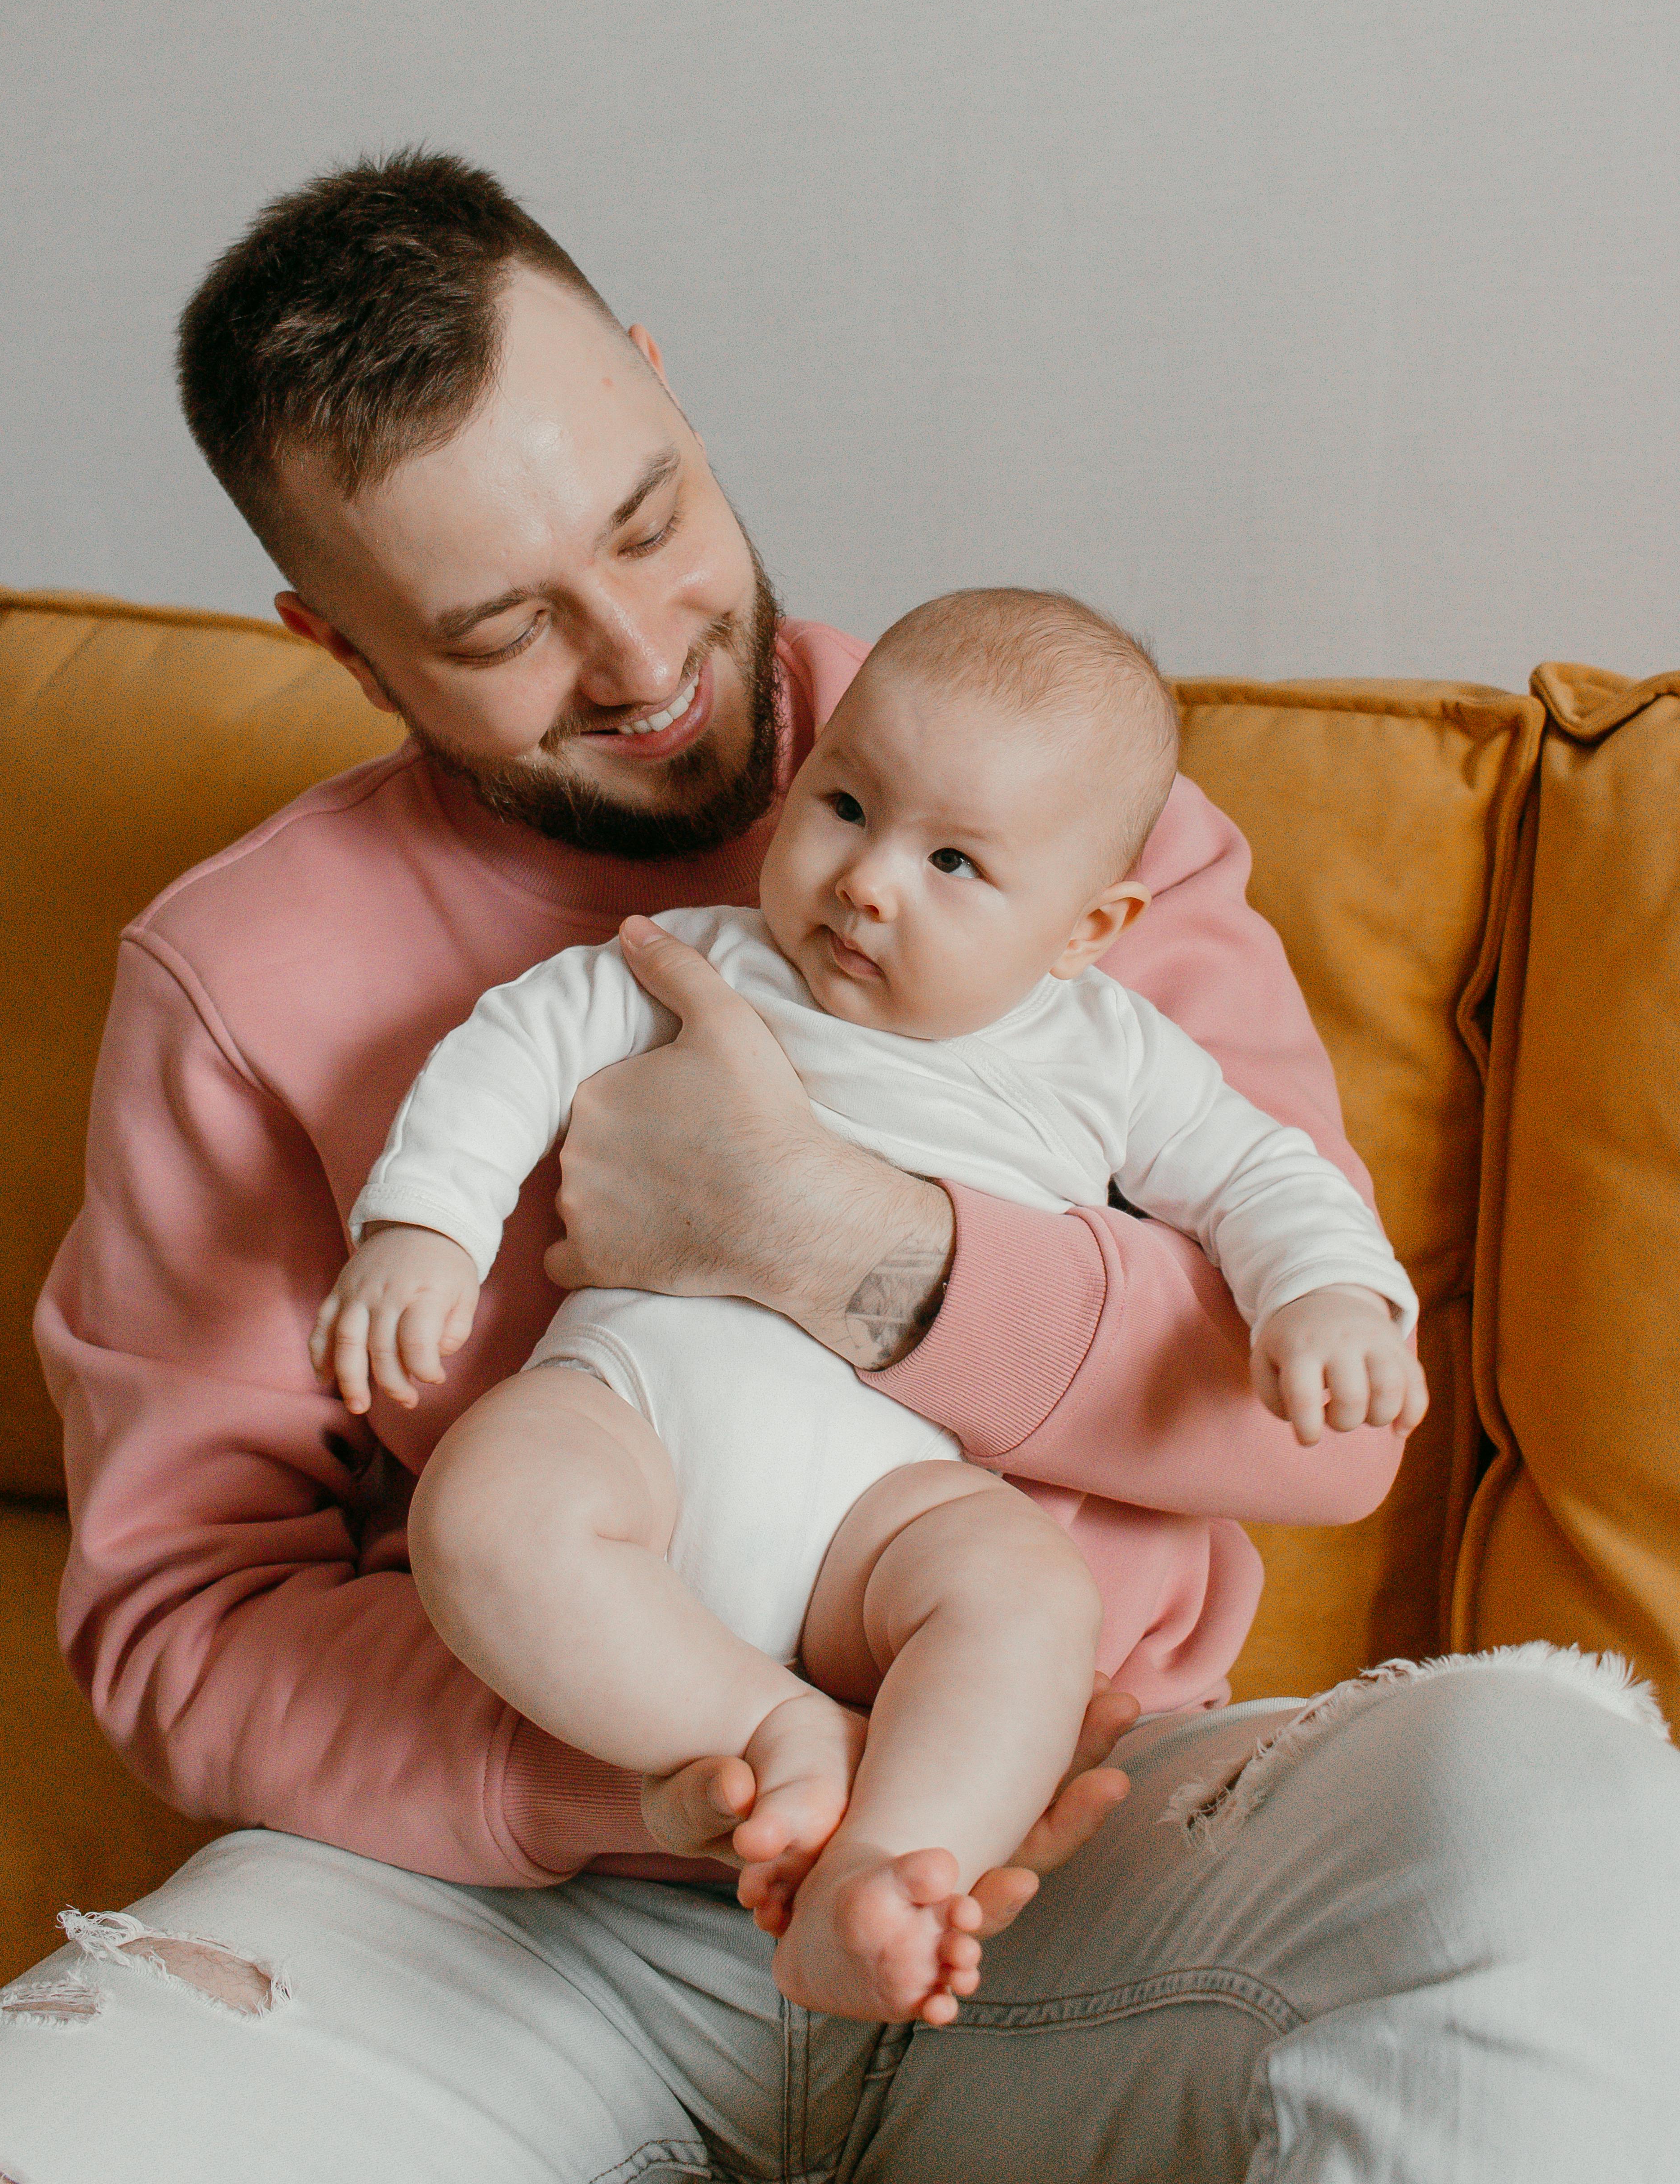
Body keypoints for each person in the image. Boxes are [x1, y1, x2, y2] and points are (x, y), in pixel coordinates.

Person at [0, 152, 1675, 2183]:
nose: (641, 656)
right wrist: (683, 1783)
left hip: (1061, 1851)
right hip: (509, 1915)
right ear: (344, 647)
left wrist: (850, 1256)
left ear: (667, 389)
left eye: (649, 520)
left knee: (1555, 1781)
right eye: (496, 630)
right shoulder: (239, 977)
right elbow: (185, 1624)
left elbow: (1325, 1436)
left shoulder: (1046, 796)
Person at [320, 586, 1422, 2024]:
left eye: (955, 859)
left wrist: (1330, 1293)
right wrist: (425, 1224)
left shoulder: (1112, 1054)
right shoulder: (704, 956)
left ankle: (890, 1874)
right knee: (481, 1512)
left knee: (1028, 1598)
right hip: (634, 1416)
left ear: (1090, 927)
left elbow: (1262, 1175)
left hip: (887, 1506)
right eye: (844, 805)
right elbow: (516, 1044)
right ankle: (779, 1738)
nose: (868, 882)